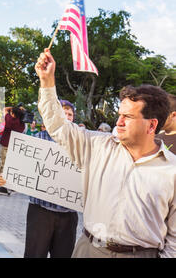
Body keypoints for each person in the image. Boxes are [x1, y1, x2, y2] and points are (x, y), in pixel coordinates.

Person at [35, 48, 175, 258]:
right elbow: (58, 126)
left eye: (128, 116)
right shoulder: (97, 146)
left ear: (152, 124)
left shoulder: (171, 170)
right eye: (120, 114)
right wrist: (47, 82)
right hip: (88, 249)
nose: (118, 122)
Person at [0, 100, 79, 258]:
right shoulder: (36, 140)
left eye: (70, 114)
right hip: (40, 212)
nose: (67, 117)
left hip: (68, 215)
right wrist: (7, 178)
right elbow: (20, 167)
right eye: (64, 113)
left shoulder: (81, 143)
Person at [0, 105, 25, 194]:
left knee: (3, 166)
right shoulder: (21, 123)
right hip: (15, 146)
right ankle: (12, 186)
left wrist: (11, 108)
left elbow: (4, 109)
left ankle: (3, 186)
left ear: (13, 113)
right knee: (12, 166)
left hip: (6, 145)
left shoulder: (10, 120)